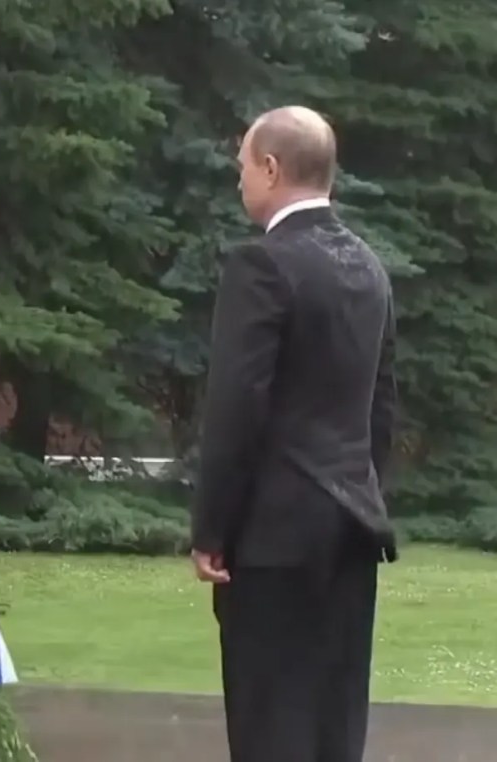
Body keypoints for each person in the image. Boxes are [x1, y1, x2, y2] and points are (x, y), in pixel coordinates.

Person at [190, 106, 398, 762]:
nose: (240, 180)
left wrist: (211, 529)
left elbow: (236, 406)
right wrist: (364, 491)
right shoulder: (369, 268)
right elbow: (381, 408)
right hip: (351, 528)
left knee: (270, 722)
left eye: (244, 166)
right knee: (335, 722)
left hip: (273, 536)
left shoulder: (261, 265)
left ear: (272, 169)